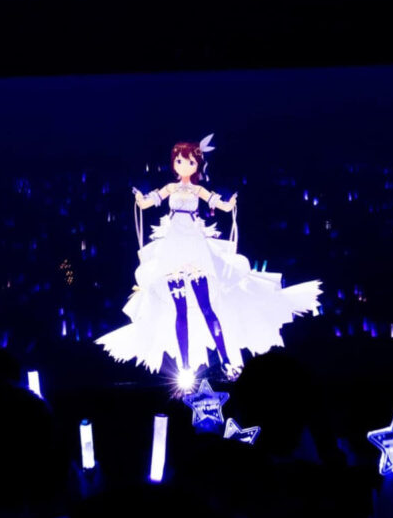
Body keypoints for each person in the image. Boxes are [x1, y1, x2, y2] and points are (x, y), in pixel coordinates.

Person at [98, 137, 321, 390]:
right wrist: (140, 198)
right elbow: (148, 202)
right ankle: (185, 365)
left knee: (207, 308)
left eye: (190, 161)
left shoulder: (197, 190)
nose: (184, 165)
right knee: (180, 309)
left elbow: (220, 205)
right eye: (179, 160)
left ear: (197, 164)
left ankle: (226, 360)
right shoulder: (170, 188)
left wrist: (230, 203)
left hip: (195, 248)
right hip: (173, 249)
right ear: (174, 163)